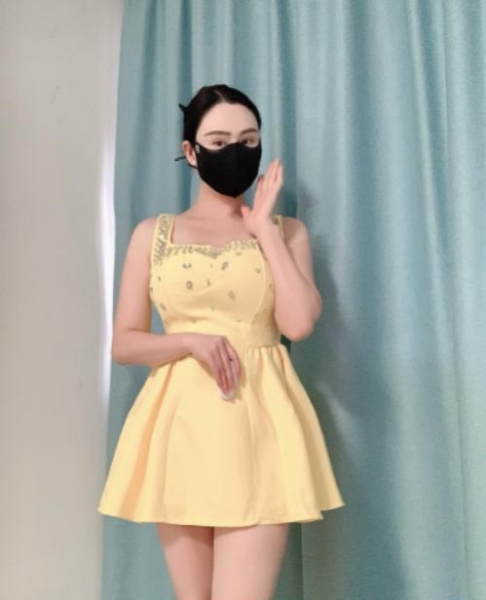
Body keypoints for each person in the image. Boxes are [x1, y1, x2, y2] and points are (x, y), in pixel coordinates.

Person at [98, 83, 345, 600]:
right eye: (218, 141)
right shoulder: (152, 234)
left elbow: (299, 324)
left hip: (261, 424)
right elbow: (124, 343)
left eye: (248, 140)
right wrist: (191, 341)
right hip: (179, 426)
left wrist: (265, 231)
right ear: (191, 152)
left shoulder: (288, 231)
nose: (235, 151)